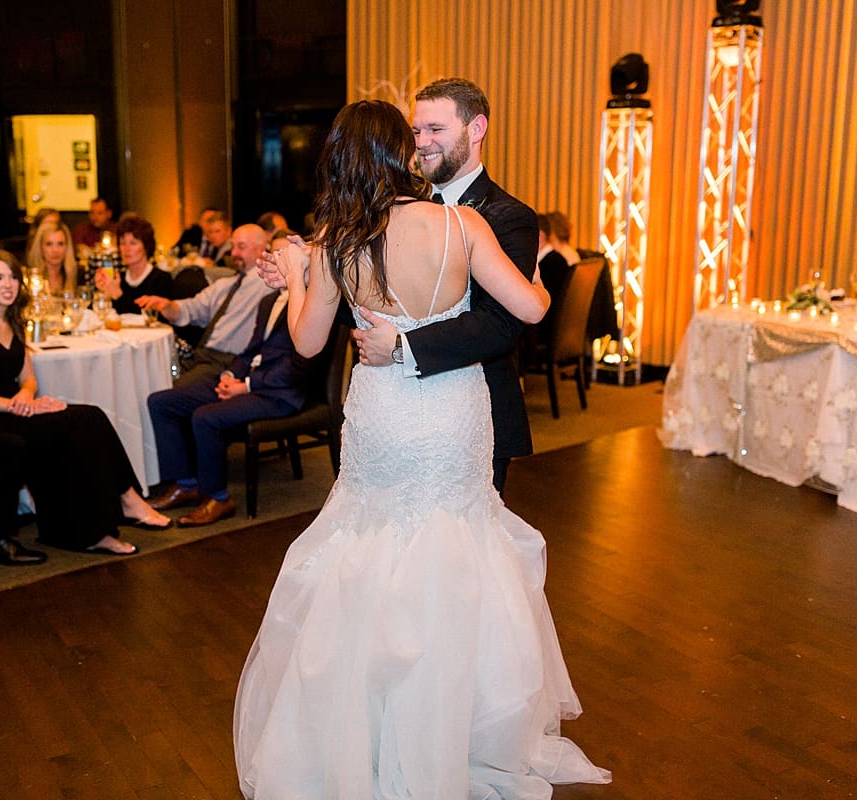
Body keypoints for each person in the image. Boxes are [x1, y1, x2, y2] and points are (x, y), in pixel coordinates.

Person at [235, 100, 610, 797]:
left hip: (382, 412)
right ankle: (459, 728)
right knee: (460, 546)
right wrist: (524, 275)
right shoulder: (460, 224)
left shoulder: (337, 244)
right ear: (400, 154)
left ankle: (365, 734)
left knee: (369, 549)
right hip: (452, 412)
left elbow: (309, 343)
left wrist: (297, 279)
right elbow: (530, 309)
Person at [350, 78, 539, 495]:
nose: (422, 143)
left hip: (471, 415)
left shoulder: (508, 217)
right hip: (388, 414)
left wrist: (402, 345)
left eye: (436, 130)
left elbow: (500, 324)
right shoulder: (392, 204)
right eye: (416, 132)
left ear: (476, 130)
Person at [0, 249, 170, 560]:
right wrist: (14, 405)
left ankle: (103, 519)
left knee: (89, 418)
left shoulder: (13, 318)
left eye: (13, 277)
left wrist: (27, 396)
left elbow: (29, 379)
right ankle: (116, 510)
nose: (8, 285)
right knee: (78, 424)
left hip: (16, 410)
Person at [147, 286, 311, 526]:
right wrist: (229, 374)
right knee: (161, 402)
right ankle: (185, 484)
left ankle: (218, 498)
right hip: (247, 380)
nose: (272, 263)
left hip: (280, 393)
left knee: (205, 417)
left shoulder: (312, 302)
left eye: (281, 255)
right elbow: (251, 350)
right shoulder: (269, 300)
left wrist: (246, 385)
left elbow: (299, 366)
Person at [137, 224, 274, 388]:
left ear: (262, 249)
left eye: (241, 247)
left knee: (163, 392)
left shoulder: (269, 285)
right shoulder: (226, 284)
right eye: (233, 247)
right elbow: (192, 308)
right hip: (201, 357)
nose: (234, 253)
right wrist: (167, 306)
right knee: (147, 377)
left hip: (226, 363)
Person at [93, 215, 172, 314]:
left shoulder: (161, 280)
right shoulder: (117, 280)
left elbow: (151, 317)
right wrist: (102, 293)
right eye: (122, 243)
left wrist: (118, 295)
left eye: (133, 243)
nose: (126, 248)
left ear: (146, 246)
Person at [24, 219, 78, 295]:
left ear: (67, 247)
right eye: (49, 244)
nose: (55, 250)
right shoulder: (30, 279)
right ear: (40, 247)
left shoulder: (75, 275)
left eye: (60, 244)